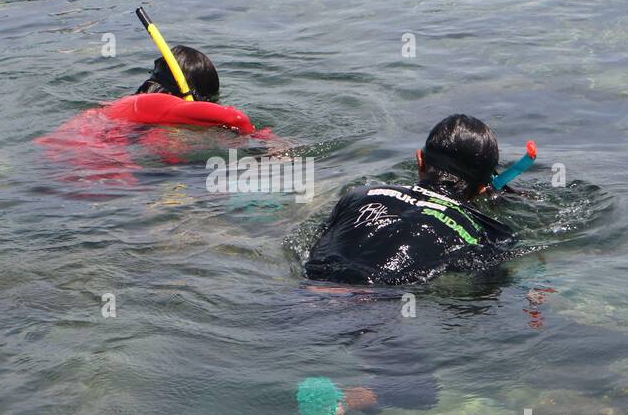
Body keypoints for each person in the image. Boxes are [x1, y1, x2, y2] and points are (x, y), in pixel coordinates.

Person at [303, 114, 516, 285]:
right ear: (482, 187)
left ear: (419, 160)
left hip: (308, 289)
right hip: (378, 301)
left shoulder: (358, 195)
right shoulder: (491, 235)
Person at [36, 46, 263, 184]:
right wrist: (259, 143)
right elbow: (235, 118)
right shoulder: (159, 103)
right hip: (95, 180)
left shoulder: (126, 106)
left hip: (56, 171)